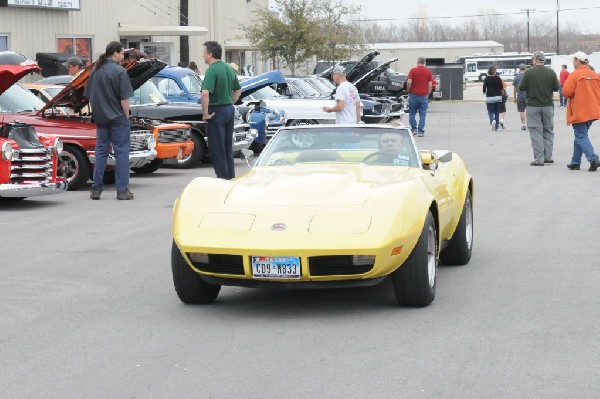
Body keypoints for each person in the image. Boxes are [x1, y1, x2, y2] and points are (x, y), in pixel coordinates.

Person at [84, 41, 134, 200]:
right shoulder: (120, 72)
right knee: (121, 153)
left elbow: (89, 95)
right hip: (118, 119)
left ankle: (96, 189)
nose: (123, 56)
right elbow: (124, 100)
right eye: (122, 53)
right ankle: (122, 190)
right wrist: (126, 116)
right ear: (115, 54)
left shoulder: (95, 71)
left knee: (100, 152)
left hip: (101, 119)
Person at [201, 41, 242, 180]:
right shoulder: (229, 68)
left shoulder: (212, 70)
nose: (203, 55)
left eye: (204, 52)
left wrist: (205, 114)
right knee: (227, 148)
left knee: (217, 149)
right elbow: (238, 90)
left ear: (210, 54)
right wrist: (230, 102)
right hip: (229, 110)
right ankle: (231, 178)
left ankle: (222, 180)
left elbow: (205, 93)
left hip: (216, 111)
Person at [519, 51, 560, 166]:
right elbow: (557, 88)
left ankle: (539, 159)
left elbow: (522, 87)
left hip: (533, 106)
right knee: (548, 130)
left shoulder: (529, 72)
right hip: (547, 105)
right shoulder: (551, 72)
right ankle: (547, 157)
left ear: (535, 60)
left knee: (536, 131)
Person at [562, 51, 600, 172]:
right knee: (580, 136)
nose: (573, 62)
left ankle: (593, 158)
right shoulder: (595, 74)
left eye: (573, 60)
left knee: (581, 135)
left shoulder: (575, 75)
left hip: (579, 111)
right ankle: (575, 162)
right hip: (593, 110)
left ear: (578, 61)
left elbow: (566, 92)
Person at [406, 57, 433, 137]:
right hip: (423, 96)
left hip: (413, 95)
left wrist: (408, 90)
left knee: (412, 113)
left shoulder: (413, 70)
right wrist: (427, 94)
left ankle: (414, 129)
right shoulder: (428, 71)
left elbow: (409, 82)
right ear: (424, 63)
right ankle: (420, 131)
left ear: (417, 62)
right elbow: (430, 85)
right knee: (422, 114)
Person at [482, 66, 504, 131]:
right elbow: (501, 88)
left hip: (489, 97)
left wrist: (484, 93)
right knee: (497, 112)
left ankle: (492, 121)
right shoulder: (498, 78)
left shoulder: (487, 78)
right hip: (498, 97)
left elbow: (484, 87)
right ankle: (496, 126)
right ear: (495, 71)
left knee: (490, 111)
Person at [512, 63, 528, 131]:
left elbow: (515, 89)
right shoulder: (528, 77)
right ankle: (531, 124)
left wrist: (515, 97)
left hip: (520, 97)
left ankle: (524, 125)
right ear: (525, 69)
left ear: (519, 69)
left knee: (522, 111)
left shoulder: (516, 77)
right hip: (529, 97)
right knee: (530, 111)